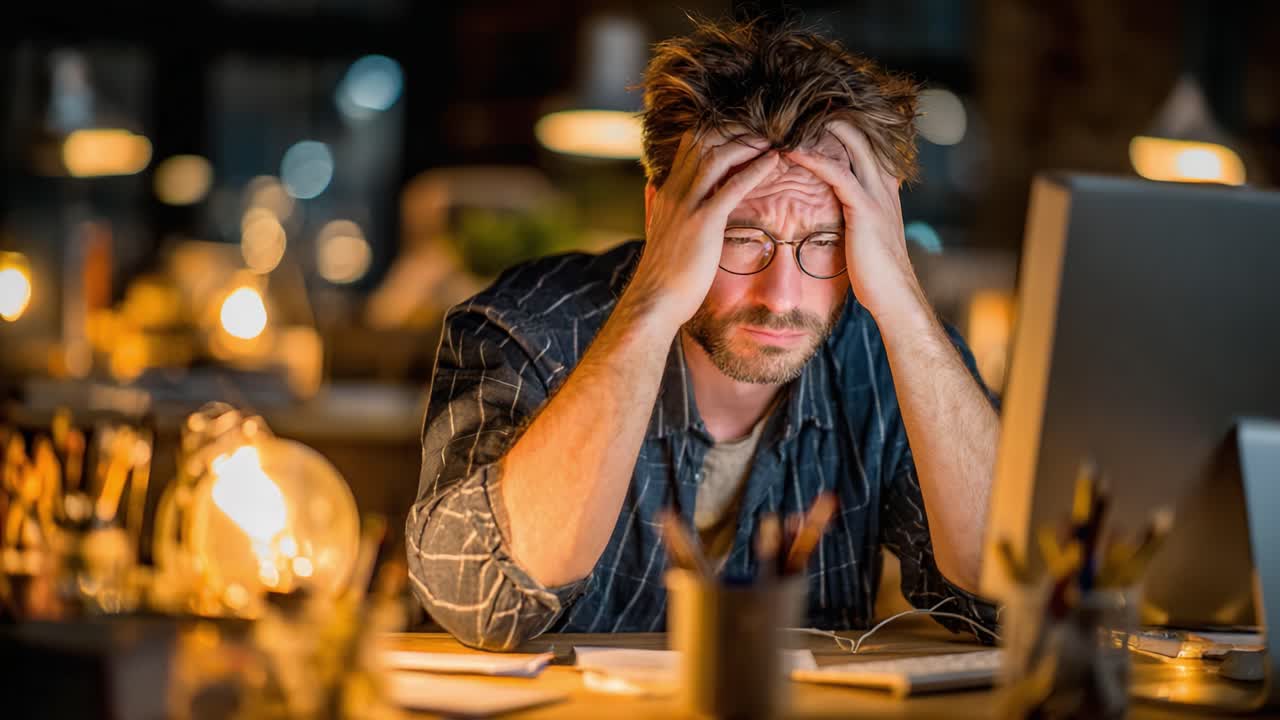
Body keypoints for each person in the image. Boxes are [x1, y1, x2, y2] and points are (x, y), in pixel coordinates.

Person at [405, 16, 1000, 650]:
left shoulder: (893, 356)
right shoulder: (525, 328)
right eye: (740, 239)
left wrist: (905, 303)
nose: (782, 297)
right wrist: (654, 302)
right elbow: (473, 597)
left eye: (825, 242)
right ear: (659, 212)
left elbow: (1015, 598)